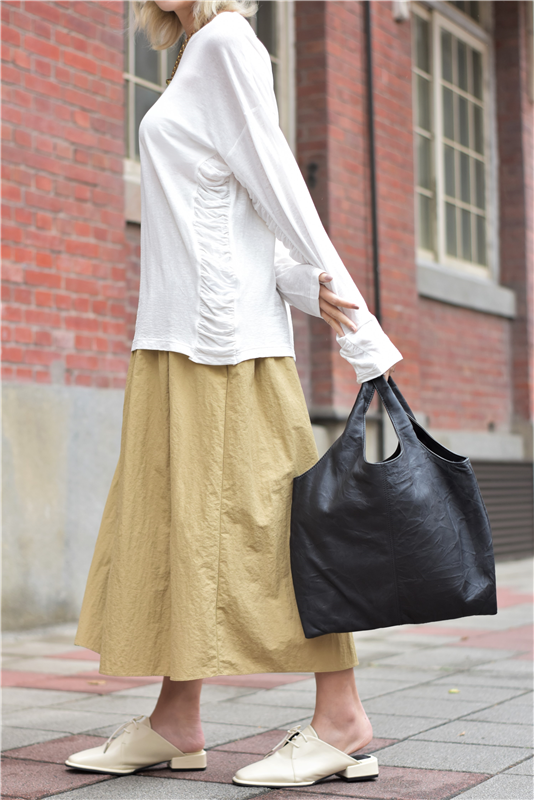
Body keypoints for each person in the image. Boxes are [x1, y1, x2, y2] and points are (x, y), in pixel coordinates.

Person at [66, 0, 402, 788]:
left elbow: (280, 186)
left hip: (223, 350)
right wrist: (301, 285)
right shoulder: (194, 51)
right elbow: (240, 209)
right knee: (176, 529)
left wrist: (360, 330)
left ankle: (342, 718)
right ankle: (175, 719)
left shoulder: (226, 43)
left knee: (273, 531)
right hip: (173, 341)